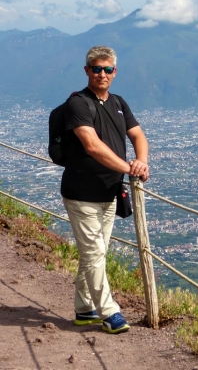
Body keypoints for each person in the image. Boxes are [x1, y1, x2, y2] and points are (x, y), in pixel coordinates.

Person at [61, 46, 150, 334]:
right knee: (95, 253)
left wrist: (142, 162)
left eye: (108, 69)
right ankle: (110, 312)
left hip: (110, 192)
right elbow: (91, 145)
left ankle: (84, 309)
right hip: (81, 192)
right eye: (97, 68)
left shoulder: (119, 103)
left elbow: (137, 134)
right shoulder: (77, 104)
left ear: (115, 72)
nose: (102, 74)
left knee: (96, 253)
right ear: (87, 70)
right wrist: (129, 168)